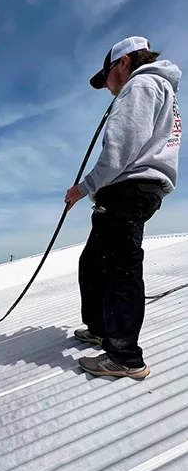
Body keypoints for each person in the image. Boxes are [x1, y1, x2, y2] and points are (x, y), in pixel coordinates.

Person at [65, 36, 182, 379]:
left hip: (128, 189)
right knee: (94, 262)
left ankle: (124, 356)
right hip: (141, 189)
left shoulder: (141, 85)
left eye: (107, 77)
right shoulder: (161, 89)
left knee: (120, 268)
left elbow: (120, 149)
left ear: (123, 62)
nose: (107, 87)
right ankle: (102, 329)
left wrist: (82, 189)